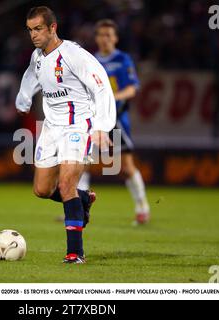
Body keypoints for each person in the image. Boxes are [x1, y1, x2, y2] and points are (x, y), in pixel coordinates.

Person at [16, 7, 116, 264]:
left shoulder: (73, 55)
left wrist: (103, 126)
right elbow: (31, 76)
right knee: (41, 189)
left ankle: (75, 253)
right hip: (51, 127)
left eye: (38, 29)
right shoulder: (37, 56)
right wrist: (24, 98)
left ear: (53, 28)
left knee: (66, 185)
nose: (33, 35)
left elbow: (101, 85)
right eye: (30, 30)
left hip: (77, 126)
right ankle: (83, 200)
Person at [78, 19, 150, 225]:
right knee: (82, 165)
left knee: (126, 168)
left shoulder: (123, 60)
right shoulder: (90, 60)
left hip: (115, 120)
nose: (105, 39)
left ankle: (142, 206)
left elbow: (132, 88)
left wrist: (112, 99)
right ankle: (78, 208)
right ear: (96, 38)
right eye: (101, 34)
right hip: (91, 120)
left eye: (109, 35)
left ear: (115, 38)